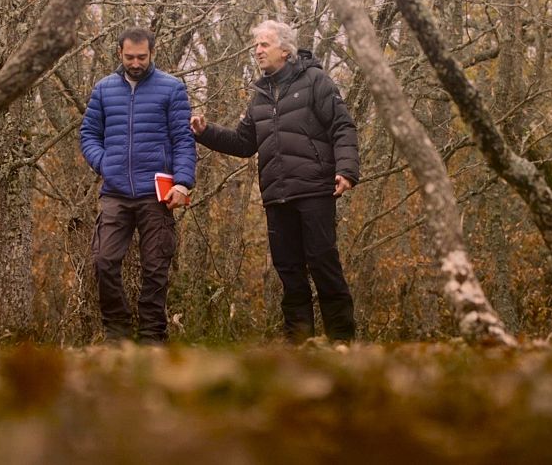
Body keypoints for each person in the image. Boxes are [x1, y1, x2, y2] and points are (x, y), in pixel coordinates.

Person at [191, 20, 360, 343]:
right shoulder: (260, 94)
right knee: (289, 271)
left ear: (285, 49)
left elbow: (343, 126)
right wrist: (205, 132)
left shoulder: (315, 81)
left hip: (314, 189)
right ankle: (299, 344)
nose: (257, 51)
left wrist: (347, 170)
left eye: (264, 45)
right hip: (276, 195)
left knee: (324, 265)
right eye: (256, 45)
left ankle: (342, 342)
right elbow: (244, 143)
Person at [80, 27, 195, 344]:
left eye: (142, 57)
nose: (135, 62)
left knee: (156, 267)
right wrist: (105, 164)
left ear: (151, 53)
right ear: (120, 52)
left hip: (156, 194)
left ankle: (151, 336)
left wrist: (183, 183)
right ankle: (116, 332)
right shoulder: (103, 90)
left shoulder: (172, 89)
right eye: (130, 56)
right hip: (115, 193)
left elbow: (184, 141)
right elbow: (88, 136)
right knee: (103, 260)